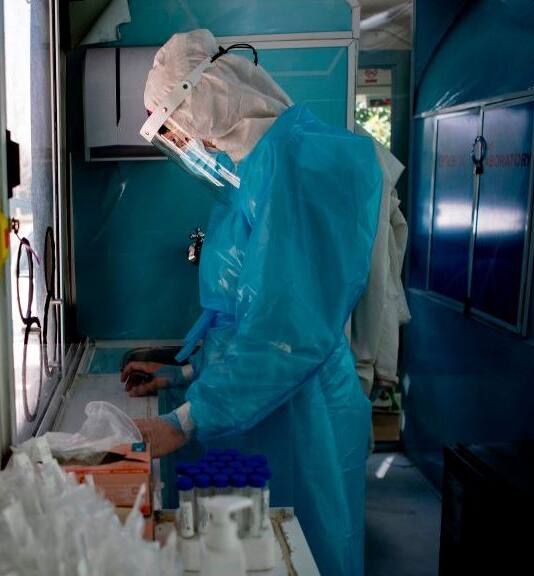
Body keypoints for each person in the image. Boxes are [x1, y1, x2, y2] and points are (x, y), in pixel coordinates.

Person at [125, 29, 382, 576]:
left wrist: (189, 419)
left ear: (205, 97)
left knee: (306, 551)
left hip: (302, 406)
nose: (191, 143)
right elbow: (247, 317)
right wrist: (185, 372)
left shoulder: (297, 167)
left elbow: (285, 331)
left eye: (177, 126)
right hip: (270, 398)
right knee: (269, 552)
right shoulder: (259, 175)